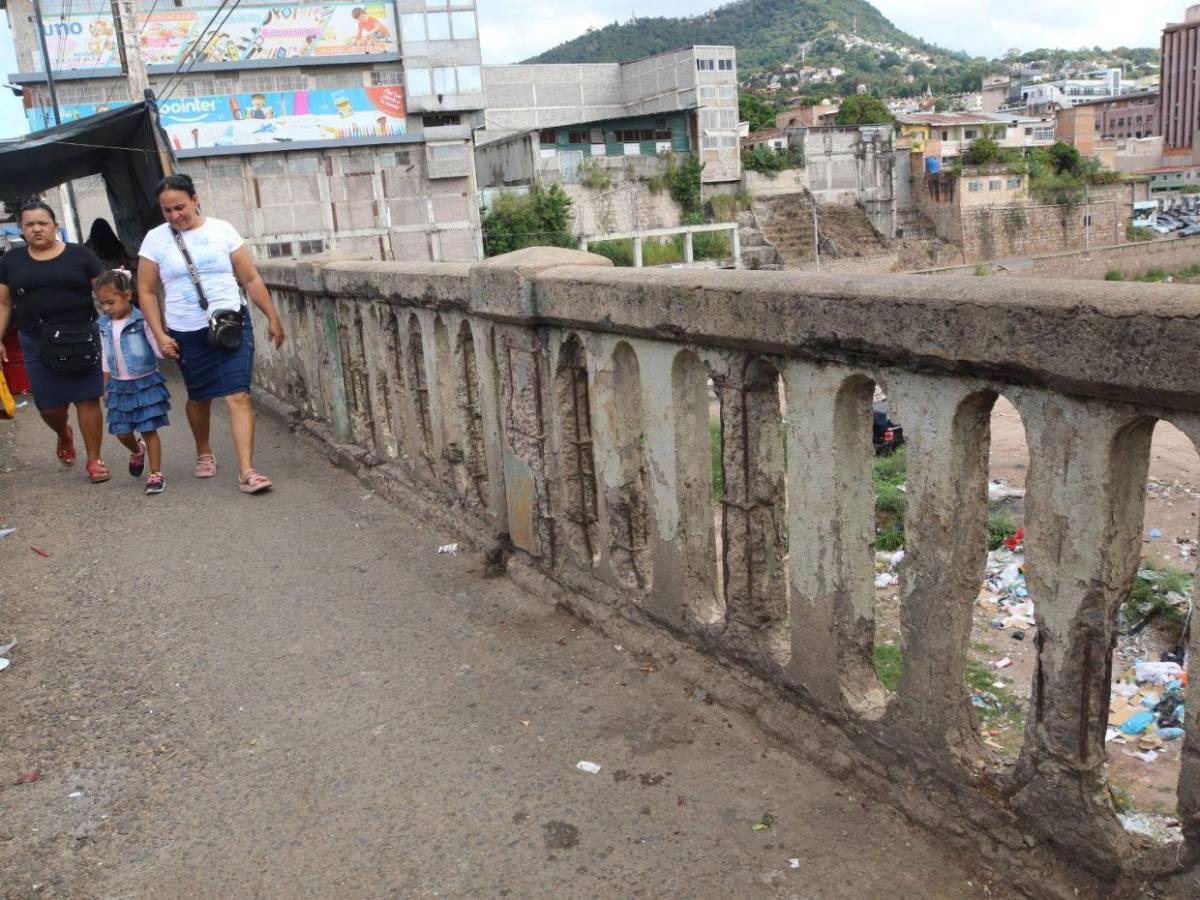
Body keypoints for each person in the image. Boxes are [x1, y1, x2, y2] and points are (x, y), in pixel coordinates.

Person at [136, 174, 286, 494]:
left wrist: (272, 316)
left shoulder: (223, 230)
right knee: (199, 397)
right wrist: (161, 334)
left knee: (239, 394)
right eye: (167, 211)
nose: (175, 215)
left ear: (195, 199)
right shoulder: (155, 240)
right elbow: (146, 291)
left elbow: (250, 278)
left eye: (180, 207)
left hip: (231, 322)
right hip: (185, 329)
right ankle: (203, 450)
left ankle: (247, 470)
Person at [0, 201, 111, 482]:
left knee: (87, 398)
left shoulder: (81, 255)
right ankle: (63, 433)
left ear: (54, 225)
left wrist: (121, 325)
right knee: (49, 406)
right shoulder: (10, 262)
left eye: (42, 223)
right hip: (36, 340)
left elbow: (106, 293)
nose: (36, 228)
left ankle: (95, 460)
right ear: (23, 229)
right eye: (29, 224)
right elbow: (3, 303)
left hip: (82, 336)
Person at [96, 268, 170, 494]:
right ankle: (137, 450)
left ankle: (155, 473)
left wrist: (167, 349)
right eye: (102, 305)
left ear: (127, 296)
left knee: (149, 428)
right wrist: (105, 385)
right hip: (118, 385)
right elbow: (105, 356)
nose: (107, 308)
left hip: (145, 382)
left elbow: (156, 344)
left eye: (111, 302)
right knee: (121, 431)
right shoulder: (104, 325)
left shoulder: (142, 320)